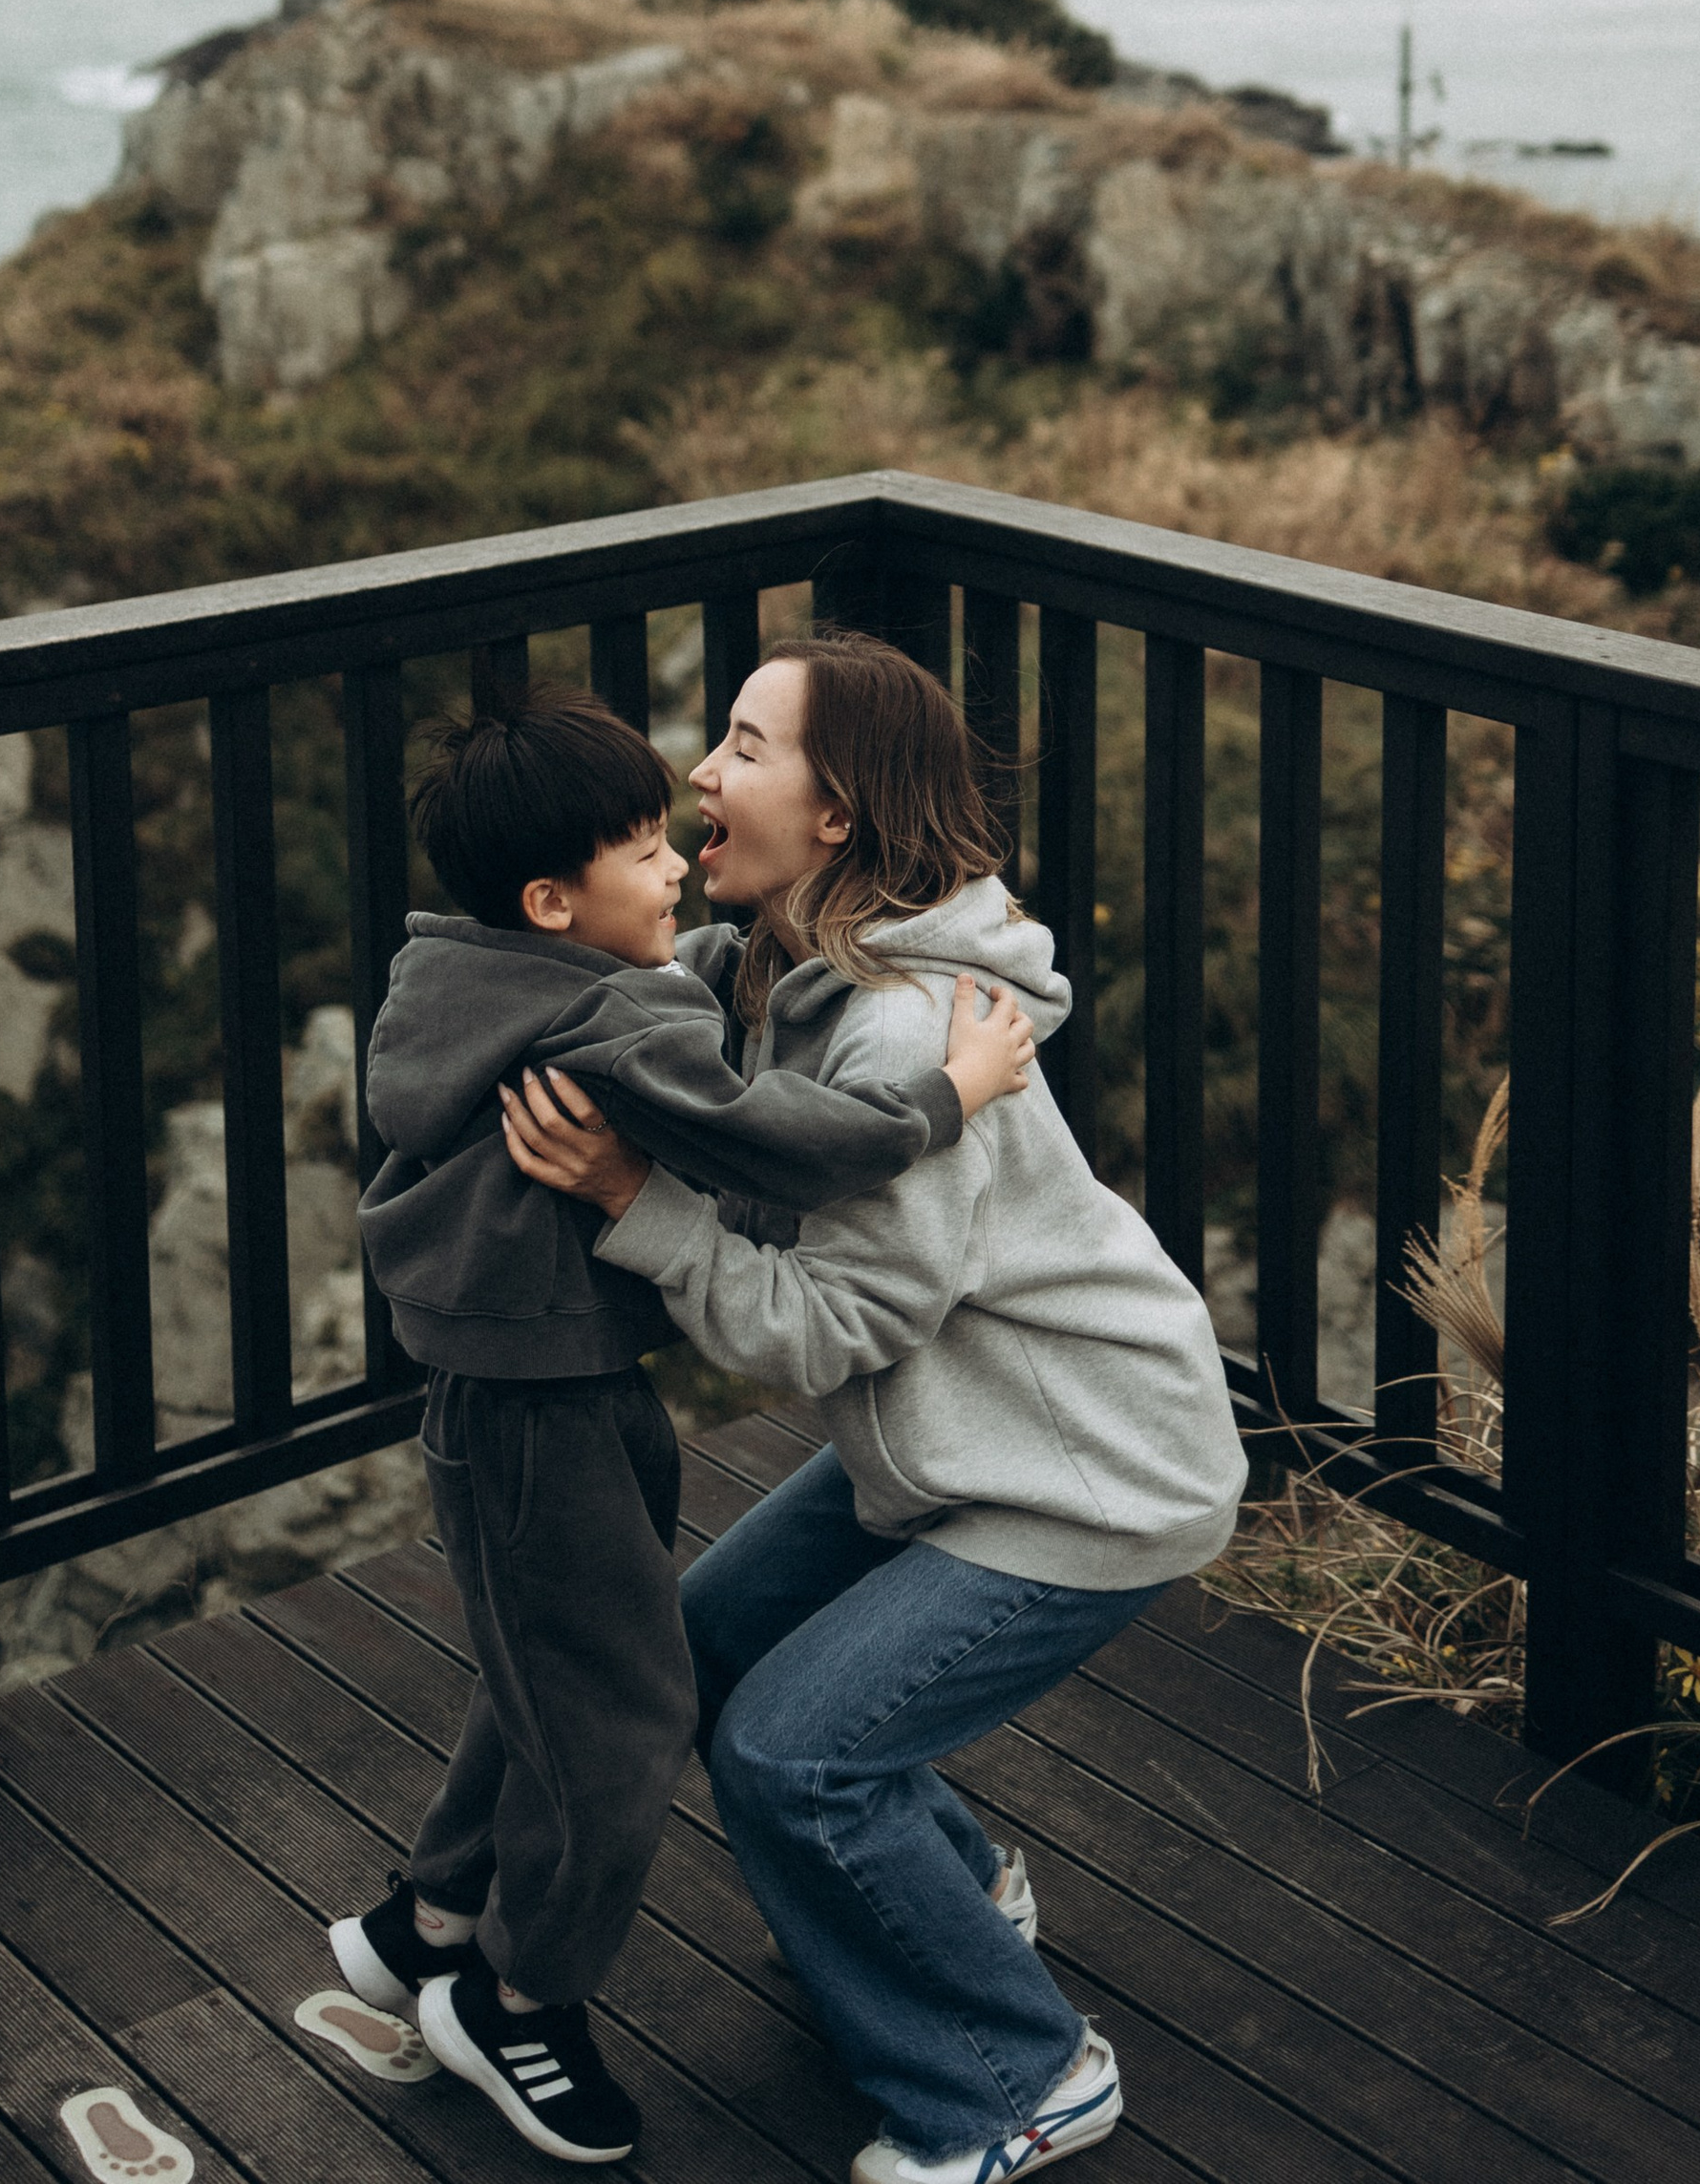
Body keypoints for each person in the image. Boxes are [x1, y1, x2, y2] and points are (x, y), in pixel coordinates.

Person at [502, 632, 1246, 2184]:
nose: (700, 776)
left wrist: (634, 1200)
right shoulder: (782, 965)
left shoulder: (907, 1028)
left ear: (837, 814)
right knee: (695, 1648)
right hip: (962, 1445)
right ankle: (949, 1901)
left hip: (1086, 1471)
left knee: (793, 1756)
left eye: (745, 747)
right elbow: (672, 1029)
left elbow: (833, 1326)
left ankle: (1017, 2076)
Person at [331, 689, 1037, 2168]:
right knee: (626, 1717)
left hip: (507, 1396)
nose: (672, 868)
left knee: (561, 1661)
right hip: (555, 1409)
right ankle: (519, 1999)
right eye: (644, 850)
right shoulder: (614, 1018)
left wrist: (733, 948)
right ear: (553, 900)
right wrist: (947, 1098)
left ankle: (425, 1917)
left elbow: (663, 980)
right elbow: (779, 1139)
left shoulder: (463, 973)